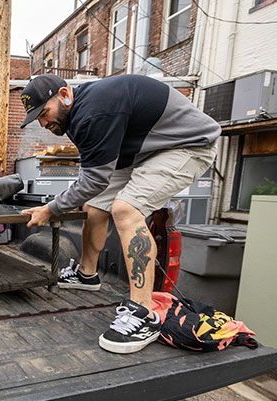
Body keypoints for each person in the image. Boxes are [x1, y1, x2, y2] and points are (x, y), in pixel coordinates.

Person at [20, 74, 220, 354]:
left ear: (64, 94)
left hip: (187, 144)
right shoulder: (75, 117)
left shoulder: (94, 112)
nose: (43, 123)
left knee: (126, 208)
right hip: (144, 152)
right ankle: (87, 274)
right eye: (37, 118)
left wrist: (50, 209)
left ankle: (143, 314)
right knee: (94, 205)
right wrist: (63, 203)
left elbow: (92, 181)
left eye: (44, 113)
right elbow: (94, 180)